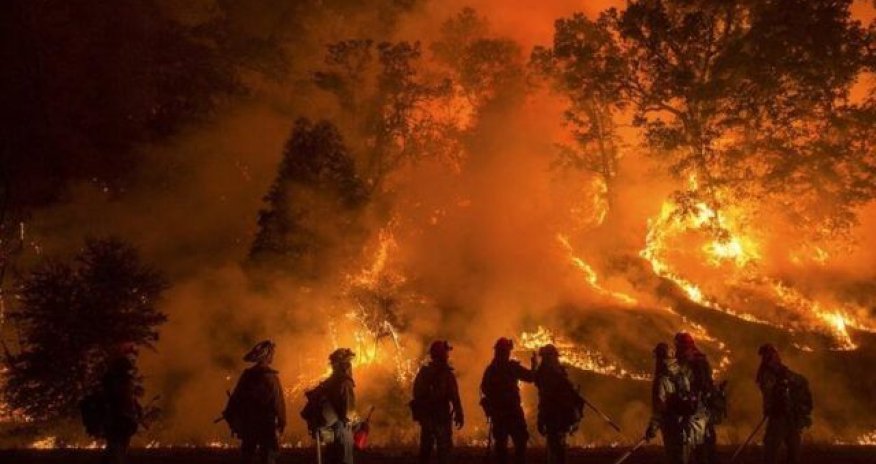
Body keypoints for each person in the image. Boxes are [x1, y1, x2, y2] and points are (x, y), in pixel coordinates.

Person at [224, 340, 286, 464]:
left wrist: (230, 414)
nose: (273, 356)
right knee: (267, 457)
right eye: (271, 354)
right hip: (266, 425)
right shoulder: (271, 378)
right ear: (266, 356)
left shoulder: (247, 376)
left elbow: (236, 398)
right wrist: (282, 422)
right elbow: (278, 403)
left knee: (247, 456)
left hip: (249, 424)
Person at [480, 337, 535, 464]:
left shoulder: (490, 370)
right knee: (520, 441)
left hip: (498, 414)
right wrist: (534, 364)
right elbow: (531, 377)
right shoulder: (511, 367)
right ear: (506, 352)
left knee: (501, 446)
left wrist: (493, 403)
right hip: (512, 412)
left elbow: (484, 389)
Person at [757, 344, 812, 464]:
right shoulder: (765, 374)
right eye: (771, 355)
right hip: (778, 415)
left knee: (793, 448)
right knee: (771, 448)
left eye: (774, 354)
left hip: (790, 415)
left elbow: (800, 380)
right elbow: (767, 391)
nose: (775, 357)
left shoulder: (783, 371)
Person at [411, 340, 464, 464]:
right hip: (441, 417)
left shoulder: (424, 373)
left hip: (428, 418)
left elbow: (416, 394)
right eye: (446, 353)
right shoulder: (447, 374)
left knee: (426, 450)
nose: (448, 355)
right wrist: (459, 414)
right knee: (444, 451)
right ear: (442, 354)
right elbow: (454, 397)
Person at [533, 344, 583, 464]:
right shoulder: (554, 374)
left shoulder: (552, 374)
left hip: (556, 416)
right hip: (557, 417)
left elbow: (545, 397)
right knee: (557, 448)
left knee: (556, 448)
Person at [674, 332, 715, 464]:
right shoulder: (691, 360)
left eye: (679, 345)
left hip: (697, 407)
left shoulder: (696, 361)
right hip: (691, 407)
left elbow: (704, 385)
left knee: (699, 443)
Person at [100, 343, 144, 464]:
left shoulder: (120, 382)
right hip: (120, 418)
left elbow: (129, 399)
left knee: (116, 446)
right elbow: (120, 400)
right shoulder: (118, 383)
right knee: (117, 446)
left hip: (121, 419)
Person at [644, 342, 687, 464]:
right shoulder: (681, 374)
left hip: (670, 424)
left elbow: (659, 407)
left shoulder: (661, 379)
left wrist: (652, 428)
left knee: (673, 457)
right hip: (685, 423)